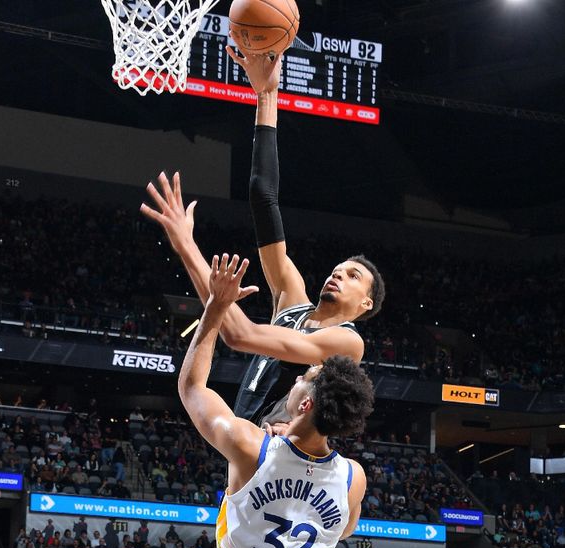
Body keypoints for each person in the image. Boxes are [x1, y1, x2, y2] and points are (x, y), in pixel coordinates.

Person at [141, 52, 384, 431]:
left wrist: (187, 245)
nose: (337, 275)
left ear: (366, 303)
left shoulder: (348, 343)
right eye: (337, 270)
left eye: (352, 276)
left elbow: (241, 335)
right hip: (247, 443)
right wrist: (267, 95)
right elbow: (263, 197)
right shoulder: (290, 300)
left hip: (283, 461)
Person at [177, 253, 373, 548]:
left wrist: (216, 305)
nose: (298, 375)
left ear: (305, 403)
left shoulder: (252, 445)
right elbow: (342, 532)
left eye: (305, 376)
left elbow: (193, 388)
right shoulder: (352, 478)